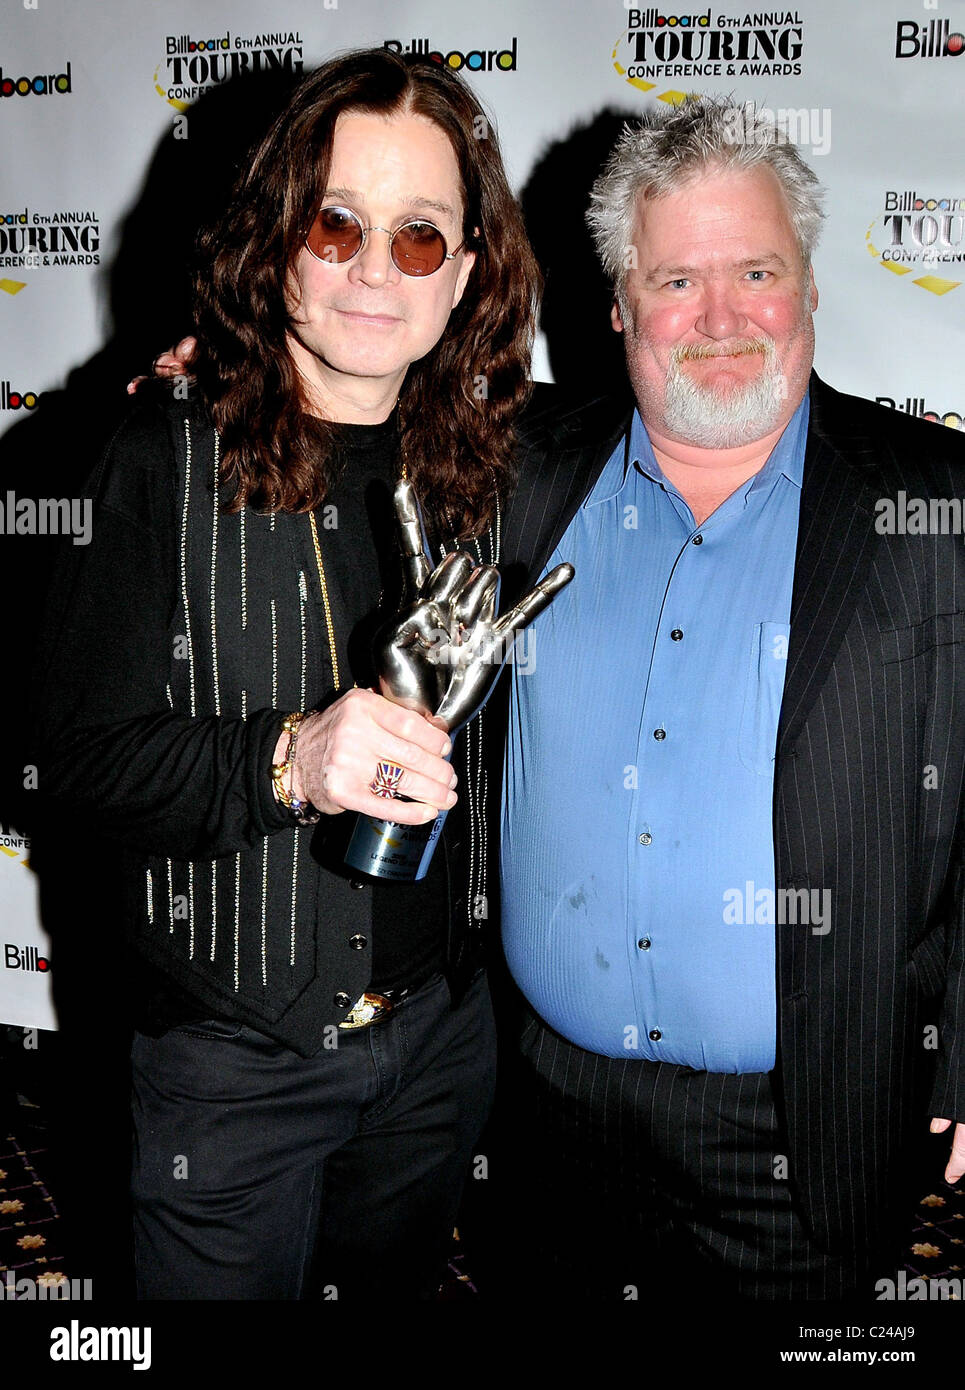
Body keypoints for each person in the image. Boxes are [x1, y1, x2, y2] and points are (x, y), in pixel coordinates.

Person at [34, 47, 545, 1301]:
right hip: (232, 1059)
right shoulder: (155, 457)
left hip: (437, 1046)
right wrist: (290, 760)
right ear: (278, 243)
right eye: (336, 223)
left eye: (421, 238)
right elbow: (71, 762)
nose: (377, 268)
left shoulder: (497, 465)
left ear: (465, 273)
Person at [496, 95, 965, 1300]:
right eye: (673, 281)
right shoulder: (518, 471)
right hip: (548, 1115)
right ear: (614, 308)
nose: (718, 320)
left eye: (755, 270)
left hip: (799, 1139)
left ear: (809, 285)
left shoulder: (934, 507)